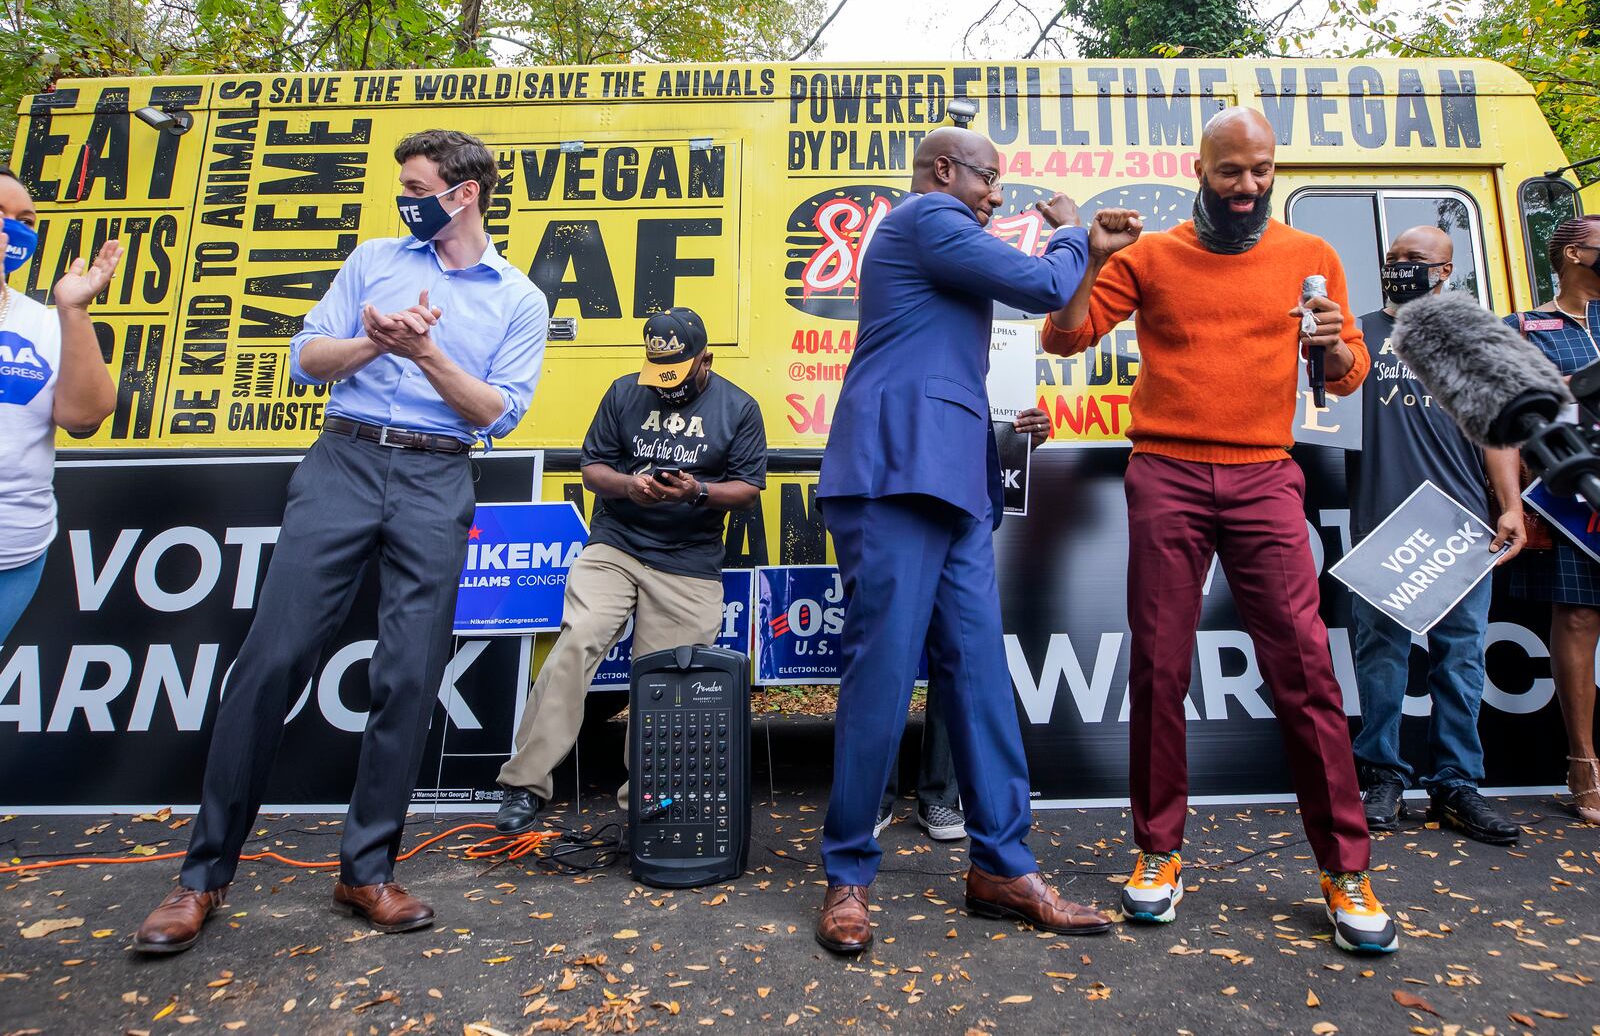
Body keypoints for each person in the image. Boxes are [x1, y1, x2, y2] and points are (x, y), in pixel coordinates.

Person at [134, 130, 548, 954]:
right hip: (343, 462)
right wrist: (373, 340)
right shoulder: (373, 260)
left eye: (417, 184)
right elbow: (307, 357)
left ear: (462, 194)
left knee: (408, 675)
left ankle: (367, 869)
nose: (405, 196)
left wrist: (423, 350)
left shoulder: (519, 298)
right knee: (272, 660)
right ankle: (201, 878)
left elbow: (497, 412)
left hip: (437, 478)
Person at [1042, 107, 1399, 954]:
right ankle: (1158, 853)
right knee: (1161, 665)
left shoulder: (1309, 258)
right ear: (1200, 168)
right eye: (1232, 171)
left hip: (1265, 473)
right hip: (1165, 468)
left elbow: (1348, 376)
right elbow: (1065, 337)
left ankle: (1346, 869)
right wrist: (1092, 258)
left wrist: (1331, 347)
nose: (1248, 187)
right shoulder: (1154, 254)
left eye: (1261, 171)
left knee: (1306, 668)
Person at [814, 125, 1126, 955]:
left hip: (951, 476)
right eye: (990, 178)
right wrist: (1069, 226)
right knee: (881, 672)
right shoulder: (926, 217)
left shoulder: (947, 241)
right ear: (945, 169)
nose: (996, 193)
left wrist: (1086, 255)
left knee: (982, 675)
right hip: (893, 472)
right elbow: (1039, 281)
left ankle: (1001, 865)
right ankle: (847, 873)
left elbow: (1062, 303)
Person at [494, 307, 766, 833]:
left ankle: (649, 801)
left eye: (678, 375)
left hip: (688, 563)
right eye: (658, 374)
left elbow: (748, 488)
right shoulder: (623, 391)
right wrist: (628, 486)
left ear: (704, 359)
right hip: (616, 545)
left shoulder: (739, 406)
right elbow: (592, 467)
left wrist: (698, 491)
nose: (666, 388)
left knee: (667, 677)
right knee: (580, 638)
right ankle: (523, 786)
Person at [1346, 226, 1526, 845]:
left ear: (1446, 272)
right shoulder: (1355, 334)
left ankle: (1456, 785)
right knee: (1381, 659)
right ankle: (1382, 775)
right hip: (1382, 526)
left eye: (1415, 261)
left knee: (1461, 656)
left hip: (1460, 527)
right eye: (1393, 259)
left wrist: (1510, 506)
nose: (1400, 267)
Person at [876, 408, 1053, 845]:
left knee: (958, 654)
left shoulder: (991, 358)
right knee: (885, 654)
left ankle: (939, 793)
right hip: (899, 502)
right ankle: (873, 797)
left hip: (964, 509)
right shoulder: (905, 346)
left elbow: (1003, 441)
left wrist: (1026, 436)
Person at [1503, 215, 1600, 825]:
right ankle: (1584, 762)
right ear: (1572, 253)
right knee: (1580, 617)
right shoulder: (1524, 326)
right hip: (1571, 496)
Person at [0, 166, 119, 642]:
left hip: (15, 555)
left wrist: (74, 311)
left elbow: (83, 416)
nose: (14, 229)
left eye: (25, 220)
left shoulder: (44, 324)